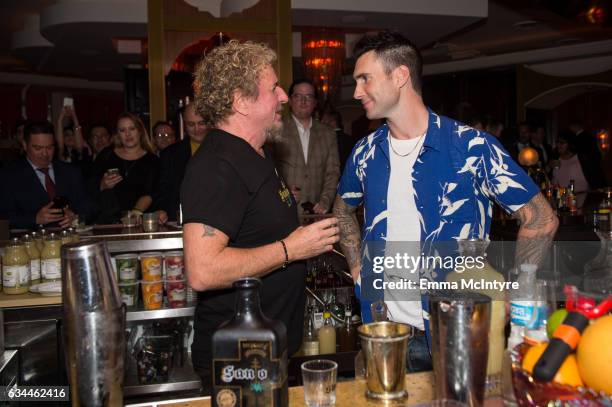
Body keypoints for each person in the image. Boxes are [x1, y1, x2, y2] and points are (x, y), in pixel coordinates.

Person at [333, 31, 559, 372]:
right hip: (382, 334)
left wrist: (518, 284)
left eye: (365, 79)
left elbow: (541, 218)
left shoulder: (471, 147)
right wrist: (356, 269)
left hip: (456, 334)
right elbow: (343, 210)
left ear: (400, 76)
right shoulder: (365, 151)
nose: (356, 92)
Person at [182, 40, 339, 392]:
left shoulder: (257, 154)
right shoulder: (217, 165)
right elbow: (203, 271)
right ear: (240, 101)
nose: (284, 97)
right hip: (238, 359)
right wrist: (291, 249)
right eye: (274, 89)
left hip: (265, 349)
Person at [0, 121, 91, 229]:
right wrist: (35, 219)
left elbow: (89, 208)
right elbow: (4, 218)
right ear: (25, 145)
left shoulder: (70, 171)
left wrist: (75, 217)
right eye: (38, 148)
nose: (45, 154)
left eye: (49, 148)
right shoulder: (8, 176)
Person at [270, 78, 340, 214]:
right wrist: (283, 193)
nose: (303, 101)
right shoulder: (276, 130)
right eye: (298, 96)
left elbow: (333, 172)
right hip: (284, 210)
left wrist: (325, 202)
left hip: (317, 212)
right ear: (290, 101)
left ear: (315, 103)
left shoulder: (328, 133)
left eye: (308, 97)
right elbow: (268, 171)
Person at [89, 112, 159, 223]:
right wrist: (102, 185)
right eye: (122, 130)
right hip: (107, 222)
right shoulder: (106, 155)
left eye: (132, 129)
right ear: (118, 134)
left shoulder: (152, 161)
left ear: (140, 131)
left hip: (139, 221)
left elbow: (151, 193)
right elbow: (89, 186)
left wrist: (135, 213)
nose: (128, 134)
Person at [155, 103, 207, 223]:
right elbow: (163, 189)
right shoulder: (170, 154)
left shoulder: (224, 150)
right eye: (191, 124)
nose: (196, 129)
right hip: (181, 221)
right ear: (184, 125)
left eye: (201, 123)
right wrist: (162, 209)